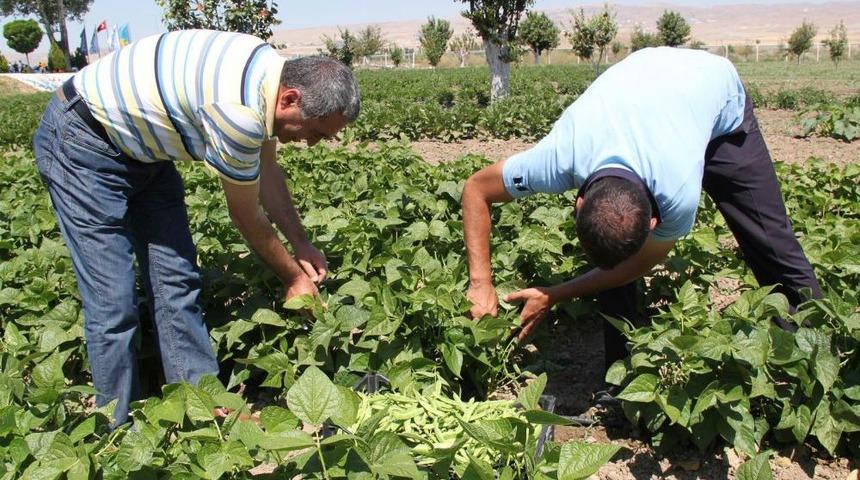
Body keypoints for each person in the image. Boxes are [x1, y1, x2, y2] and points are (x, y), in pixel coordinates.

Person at [32, 29, 361, 425]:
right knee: (112, 301)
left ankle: (203, 409)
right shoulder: (238, 111)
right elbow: (246, 216)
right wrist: (293, 277)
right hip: (83, 141)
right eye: (315, 132)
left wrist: (301, 243)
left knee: (176, 280)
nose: (311, 143)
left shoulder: (269, 75)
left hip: (145, 151)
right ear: (290, 99)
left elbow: (268, 170)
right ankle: (113, 430)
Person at [461, 47, 821, 385]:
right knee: (613, 249)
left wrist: (555, 293)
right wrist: (480, 283)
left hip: (715, 94)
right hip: (644, 79)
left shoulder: (678, 193)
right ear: (580, 203)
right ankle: (619, 378)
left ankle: (813, 360)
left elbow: (633, 265)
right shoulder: (559, 156)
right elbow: (477, 189)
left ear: (653, 222)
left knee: (769, 239)